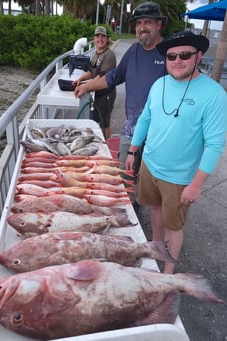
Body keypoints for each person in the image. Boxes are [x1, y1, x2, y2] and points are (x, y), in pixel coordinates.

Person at [125, 31, 227, 274]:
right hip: (149, 165)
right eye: (172, 56)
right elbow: (145, 119)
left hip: (180, 177)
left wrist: (196, 184)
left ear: (198, 56)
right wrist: (132, 151)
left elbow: (214, 144)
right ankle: (155, 250)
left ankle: (168, 273)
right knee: (155, 210)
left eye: (184, 55)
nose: (177, 60)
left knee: (175, 225)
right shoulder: (159, 84)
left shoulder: (215, 94)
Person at [75, 2, 168, 167]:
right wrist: (86, 87)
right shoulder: (133, 51)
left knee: (150, 186)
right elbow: (112, 77)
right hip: (131, 130)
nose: (142, 28)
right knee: (125, 179)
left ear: (158, 24)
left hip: (158, 136)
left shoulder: (170, 54)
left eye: (147, 22)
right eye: (138, 23)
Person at [73, 26, 116, 139]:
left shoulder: (109, 55)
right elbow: (91, 72)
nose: (100, 39)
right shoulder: (96, 53)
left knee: (104, 123)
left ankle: (107, 145)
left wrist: (86, 87)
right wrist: (80, 79)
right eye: (97, 36)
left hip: (106, 94)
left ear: (107, 39)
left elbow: (101, 77)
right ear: (94, 39)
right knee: (95, 121)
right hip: (97, 93)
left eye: (103, 37)